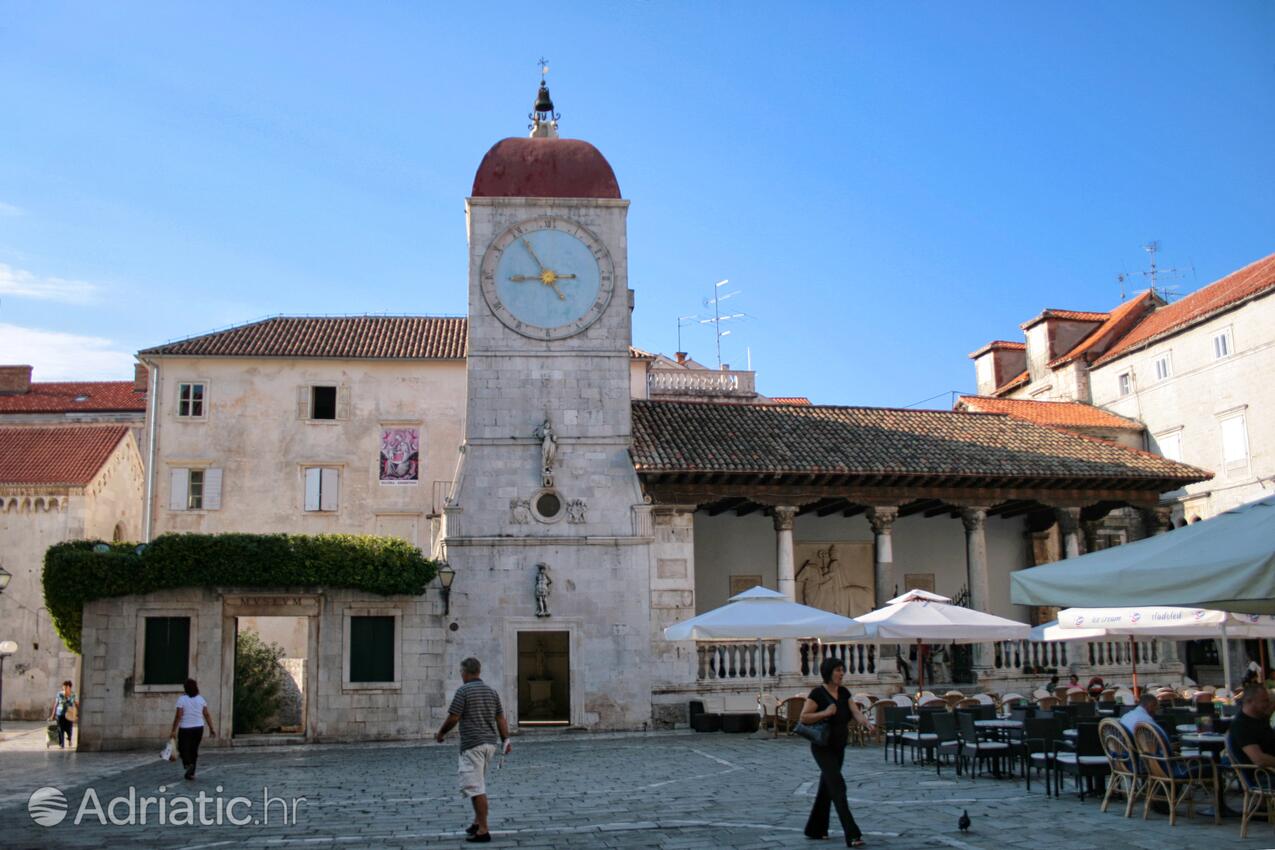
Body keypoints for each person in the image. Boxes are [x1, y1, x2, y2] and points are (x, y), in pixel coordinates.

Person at [435, 657, 511, 844]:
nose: (461, 675)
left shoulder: (463, 691)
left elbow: (454, 717)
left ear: (465, 673)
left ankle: (483, 830)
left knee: (475, 788)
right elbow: (500, 718)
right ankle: (477, 822)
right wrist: (506, 740)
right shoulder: (491, 691)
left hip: (473, 745)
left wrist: (441, 732)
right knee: (477, 783)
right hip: (489, 745)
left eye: (461, 672)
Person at [800, 657, 874, 847]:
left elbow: (854, 710)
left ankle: (815, 829)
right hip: (822, 747)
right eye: (838, 670)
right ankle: (852, 833)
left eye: (842, 670)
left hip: (839, 746)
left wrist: (865, 722)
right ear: (828, 672)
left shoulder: (844, 692)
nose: (841, 673)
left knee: (827, 788)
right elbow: (804, 718)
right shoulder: (817, 693)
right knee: (838, 786)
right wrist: (825, 713)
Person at [170, 678, 217, 780]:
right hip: (198, 728)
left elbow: (178, 716)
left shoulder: (182, 699)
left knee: (183, 748)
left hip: (185, 728)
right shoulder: (201, 699)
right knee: (193, 750)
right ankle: (191, 773)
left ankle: (187, 764)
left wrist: (173, 729)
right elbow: (207, 714)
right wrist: (211, 728)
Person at [1229, 687, 1275, 769]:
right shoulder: (1241, 725)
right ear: (1249, 701)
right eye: (1265, 701)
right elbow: (1259, 759)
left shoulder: (1261, 719)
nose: (1268, 704)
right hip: (1262, 775)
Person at [48, 680, 78, 749]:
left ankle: (69, 739)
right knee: (60, 729)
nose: (64, 688)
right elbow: (56, 704)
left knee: (69, 729)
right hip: (60, 714)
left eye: (66, 687)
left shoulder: (73, 694)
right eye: (63, 687)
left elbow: (76, 704)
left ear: (69, 687)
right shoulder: (59, 694)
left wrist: (78, 713)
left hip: (69, 715)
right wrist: (53, 715)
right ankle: (62, 744)